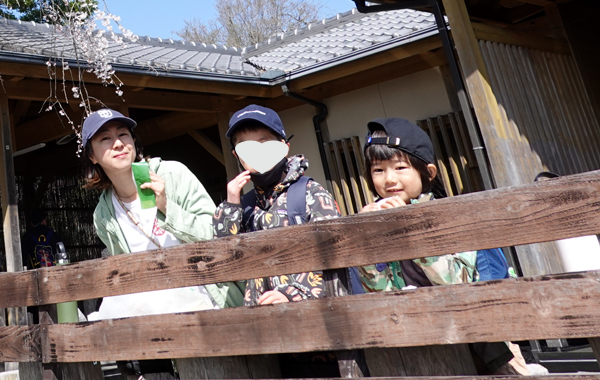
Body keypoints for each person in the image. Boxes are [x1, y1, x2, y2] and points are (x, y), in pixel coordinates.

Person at [356, 117, 546, 376]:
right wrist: (366, 241)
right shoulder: (377, 220)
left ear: (428, 172)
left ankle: (516, 370)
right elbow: (379, 291)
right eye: (378, 170)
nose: (389, 179)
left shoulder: (452, 217)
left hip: (474, 334)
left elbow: (458, 284)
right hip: (417, 336)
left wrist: (411, 232)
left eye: (400, 167)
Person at [84, 107, 242, 311]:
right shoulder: (104, 215)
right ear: (92, 156)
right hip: (150, 308)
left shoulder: (173, 174)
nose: (118, 143)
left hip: (205, 297)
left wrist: (167, 207)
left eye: (123, 134)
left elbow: (216, 235)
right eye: (105, 138)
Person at [213, 104, 342, 306]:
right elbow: (224, 261)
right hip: (263, 321)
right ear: (237, 156)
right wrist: (230, 206)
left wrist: (292, 293)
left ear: (284, 146)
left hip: (314, 316)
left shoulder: (310, 193)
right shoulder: (243, 206)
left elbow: (334, 251)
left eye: (264, 143)